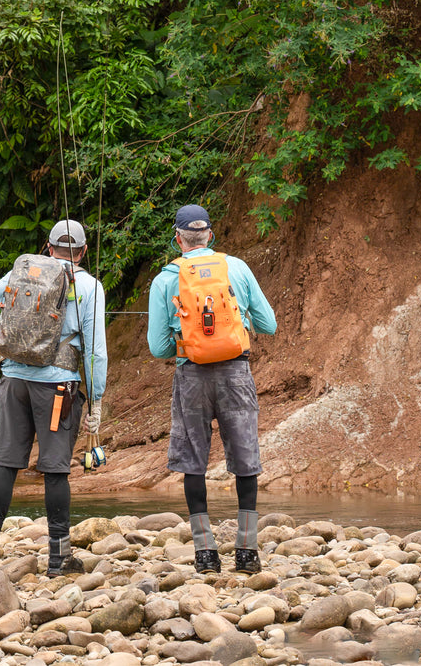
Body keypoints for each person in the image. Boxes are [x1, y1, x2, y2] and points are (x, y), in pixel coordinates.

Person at [0, 218, 108, 577]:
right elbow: (95, 352)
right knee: (55, 469)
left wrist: (29, 276)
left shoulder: (26, 271)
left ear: (47, 246)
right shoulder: (90, 286)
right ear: (84, 251)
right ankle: (59, 559)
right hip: (58, 387)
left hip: (13, 380)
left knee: (6, 464)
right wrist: (97, 398)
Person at [147, 204, 276, 574]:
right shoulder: (236, 267)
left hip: (192, 377)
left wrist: (191, 342)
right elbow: (269, 324)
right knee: (245, 460)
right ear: (210, 235)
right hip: (236, 373)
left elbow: (157, 348)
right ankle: (247, 553)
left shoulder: (165, 279)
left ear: (178, 237)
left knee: (194, 462)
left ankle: (206, 555)